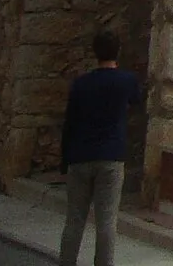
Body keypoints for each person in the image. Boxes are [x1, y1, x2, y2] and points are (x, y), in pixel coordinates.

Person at [58, 28, 142, 266]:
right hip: (111, 156)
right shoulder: (126, 81)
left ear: (94, 52)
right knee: (106, 222)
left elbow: (69, 123)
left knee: (74, 220)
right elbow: (137, 101)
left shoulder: (81, 84)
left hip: (80, 155)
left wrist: (64, 160)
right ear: (118, 52)